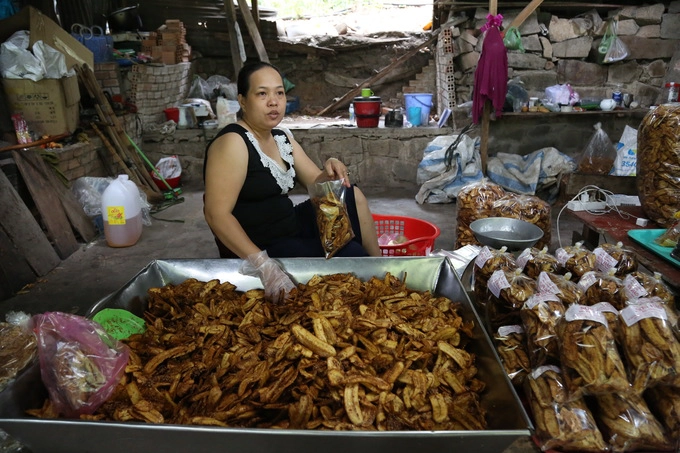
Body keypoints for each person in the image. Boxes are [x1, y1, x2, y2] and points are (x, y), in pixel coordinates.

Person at [203, 61, 381, 302]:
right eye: (262, 93)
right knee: (351, 254)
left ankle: (381, 268)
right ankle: (366, 271)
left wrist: (330, 166)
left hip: (290, 225)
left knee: (351, 195)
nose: (273, 102)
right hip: (262, 243)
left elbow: (317, 183)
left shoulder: (281, 137)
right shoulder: (233, 142)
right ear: (243, 100)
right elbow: (216, 214)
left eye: (279, 93)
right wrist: (264, 265)